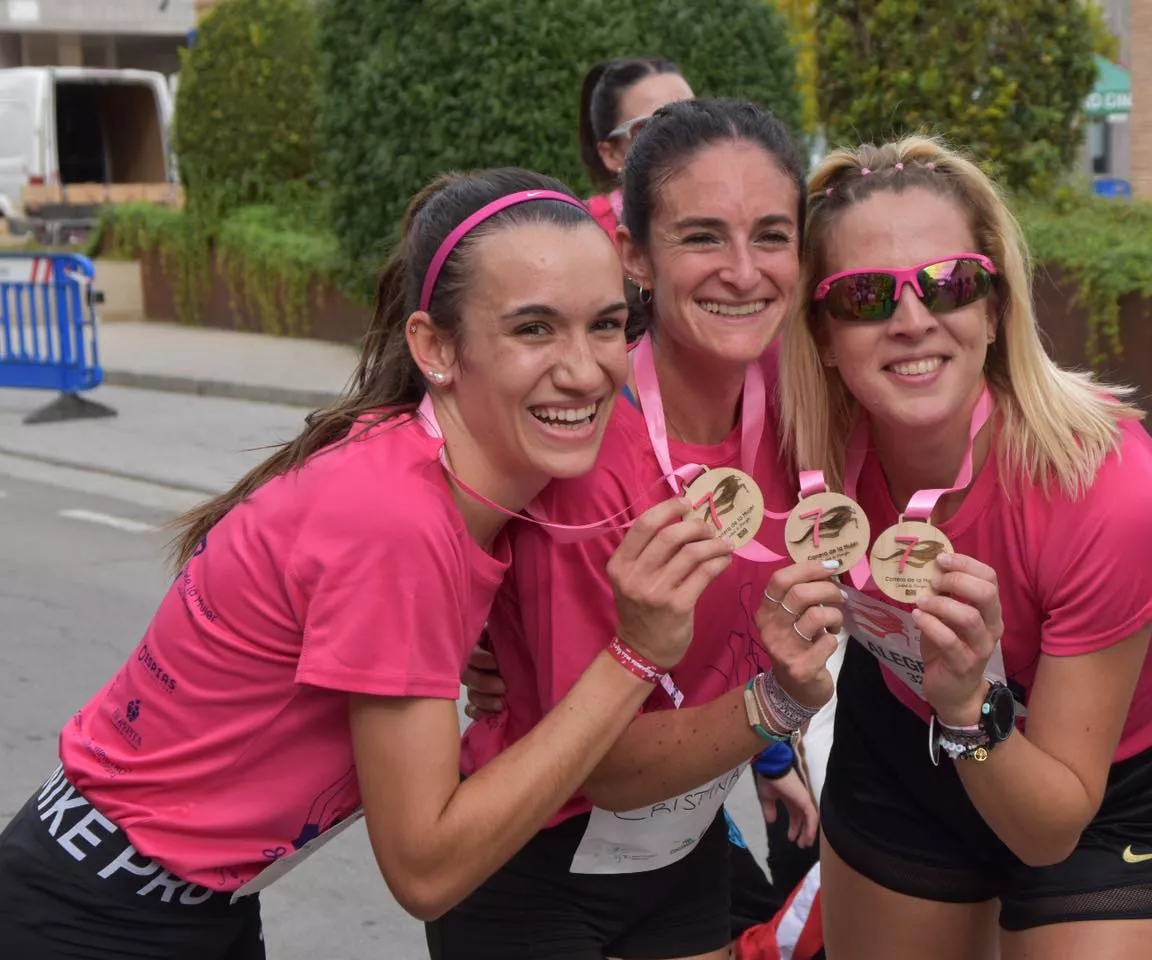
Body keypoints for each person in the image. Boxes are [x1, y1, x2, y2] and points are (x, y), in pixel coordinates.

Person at [0, 167, 736, 960]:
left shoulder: (442, 475)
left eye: (606, 325)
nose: (586, 369)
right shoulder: (396, 521)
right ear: (435, 348)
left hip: (188, 904)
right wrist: (633, 655)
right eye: (533, 329)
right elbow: (426, 870)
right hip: (91, 914)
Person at [778, 136, 1152, 959]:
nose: (912, 321)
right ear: (824, 333)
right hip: (903, 745)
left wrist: (969, 708)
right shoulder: (809, 444)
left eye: (950, 284)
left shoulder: (1109, 489)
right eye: (865, 295)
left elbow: (1050, 828)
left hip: (1104, 782)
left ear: (995, 308)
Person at [431, 99, 837, 960]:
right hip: (530, 868)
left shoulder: (804, 404)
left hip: (685, 851)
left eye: (771, 235)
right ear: (634, 253)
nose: (742, 270)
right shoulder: (580, 447)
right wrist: (781, 705)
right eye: (700, 237)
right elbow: (607, 765)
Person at [577, 56, 694, 241]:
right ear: (611, 154)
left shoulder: (741, 211)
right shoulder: (581, 235)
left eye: (698, 115)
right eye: (656, 125)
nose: (688, 136)